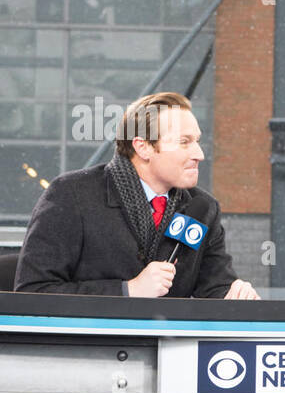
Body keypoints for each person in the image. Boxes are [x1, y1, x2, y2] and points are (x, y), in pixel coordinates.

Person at [15, 91, 259, 299]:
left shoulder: (203, 208)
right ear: (143, 147)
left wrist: (234, 295)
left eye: (197, 141)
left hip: (169, 351)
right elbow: (33, 291)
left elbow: (214, 287)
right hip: (90, 350)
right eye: (184, 142)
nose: (199, 154)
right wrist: (127, 290)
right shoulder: (72, 195)